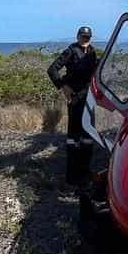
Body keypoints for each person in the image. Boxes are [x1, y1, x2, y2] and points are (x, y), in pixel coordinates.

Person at [47, 26, 98, 187]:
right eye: (83, 36)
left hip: (89, 97)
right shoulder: (70, 51)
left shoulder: (92, 51)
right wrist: (63, 86)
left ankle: (85, 172)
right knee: (74, 138)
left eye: (87, 37)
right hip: (75, 99)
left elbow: (95, 72)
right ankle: (71, 176)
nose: (85, 39)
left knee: (88, 137)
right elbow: (52, 69)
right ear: (77, 36)